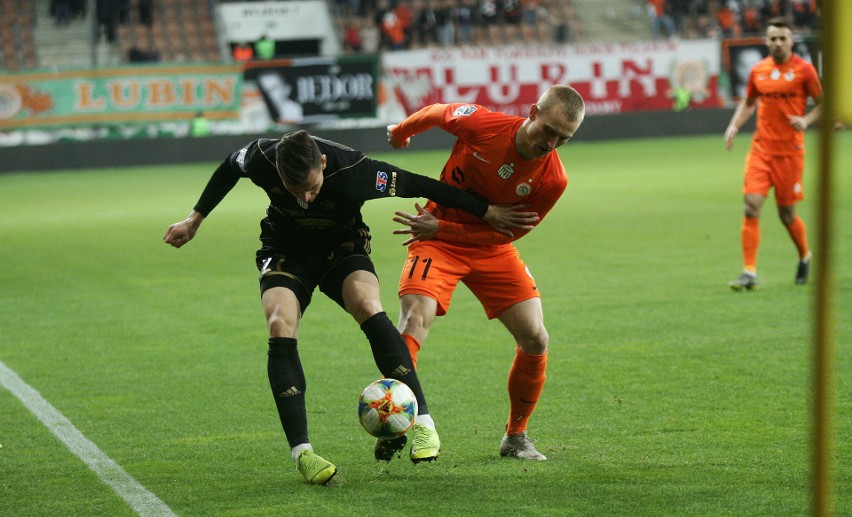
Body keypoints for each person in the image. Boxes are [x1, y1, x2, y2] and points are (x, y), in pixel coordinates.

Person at [163, 130, 530, 484]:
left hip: (343, 248)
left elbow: (423, 185)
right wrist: (195, 219)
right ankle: (303, 453)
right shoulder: (262, 157)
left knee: (368, 304)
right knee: (279, 323)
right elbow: (230, 165)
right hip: (285, 249)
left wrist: (486, 211)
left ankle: (424, 424)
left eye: (312, 187)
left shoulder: (358, 173)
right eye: (296, 191)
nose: (306, 199)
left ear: (323, 163)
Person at [384, 84, 585, 461]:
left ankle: (516, 436)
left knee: (536, 338)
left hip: (486, 247)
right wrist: (402, 131)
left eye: (564, 138)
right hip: (435, 238)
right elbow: (437, 111)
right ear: (532, 113)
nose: (552, 143)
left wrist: (445, 228)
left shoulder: (553, 180)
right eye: (549, 130)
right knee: (414, 320)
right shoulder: (483, 125)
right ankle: (394, 418)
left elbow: (506, 232)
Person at [724, 17, 822, 291]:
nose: (778, 43)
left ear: (791, 41)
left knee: (786, 214)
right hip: (761, 150)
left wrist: (807, 121)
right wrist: (734, 125)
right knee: (751, 206)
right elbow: (750, 102)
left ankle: (804, 255)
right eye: (773, 38)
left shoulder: (805, 71)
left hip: (790, 152)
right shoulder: (759, 70)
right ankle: (749, 272)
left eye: (783, 38)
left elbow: (823, 104)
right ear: (766, 41)